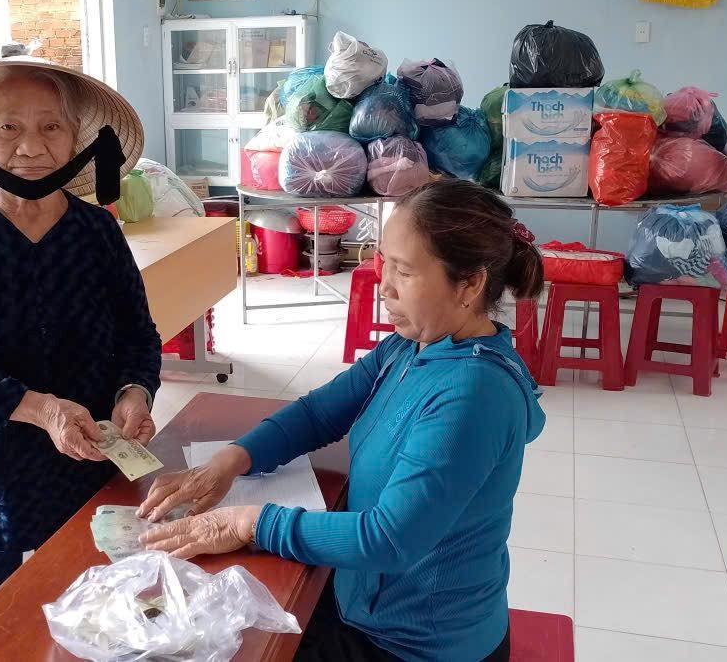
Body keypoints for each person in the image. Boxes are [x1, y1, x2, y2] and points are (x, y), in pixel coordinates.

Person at [139, 181, 546, 662]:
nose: (385, 284)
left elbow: (389, 539)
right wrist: (229, 462)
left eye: (404, 271)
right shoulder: (412, 346)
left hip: (415, 644)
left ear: (470, 284)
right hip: (366, 602)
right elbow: (318, 413)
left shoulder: (473, 393)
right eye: (383, 262)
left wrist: (250, 522)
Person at [0, 60, 162, 655]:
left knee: (88, 598)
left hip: (82, 454)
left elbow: (138, 335)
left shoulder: (97, 231)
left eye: (51, 128)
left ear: (77, 138)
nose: (31, 148)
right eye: (8, 128)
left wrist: (134, 392)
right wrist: (40, 409)